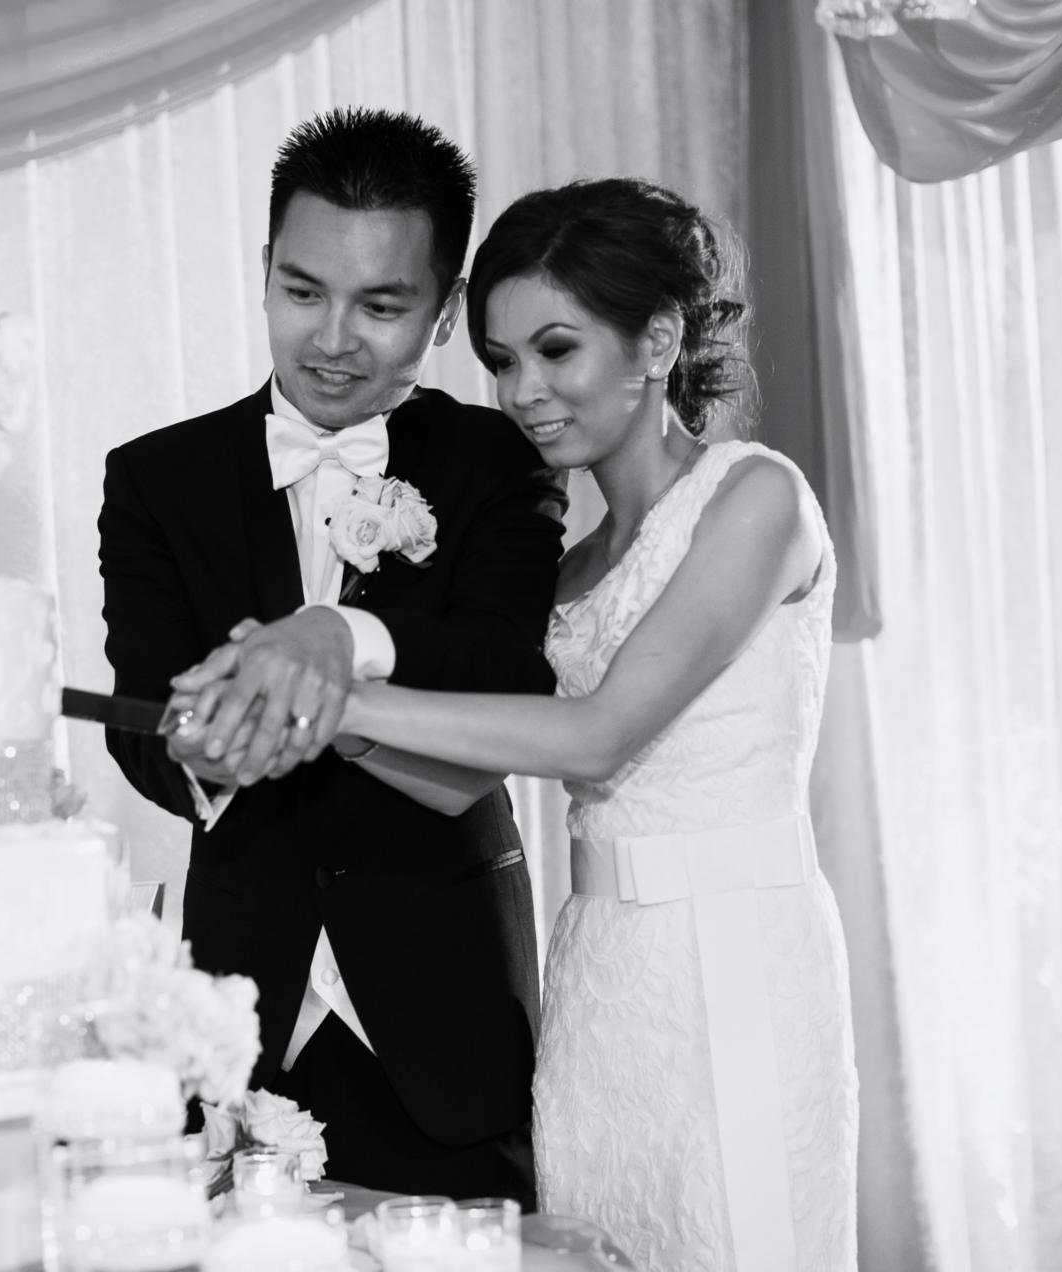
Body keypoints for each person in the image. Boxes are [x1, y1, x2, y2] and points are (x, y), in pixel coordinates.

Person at [180, 176, 858, 1269]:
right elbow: (457, 780)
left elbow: (597, 737)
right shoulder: (572, 568)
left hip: (734, 954)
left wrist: (340, 679)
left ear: (658, 340)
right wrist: (289, 719)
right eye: (501, 361)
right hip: (602, 967)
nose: (524, 392)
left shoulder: (755, 498)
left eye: (555, 350)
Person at [97, 106, 565, 1209]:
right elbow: (143, 716)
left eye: (382, 306)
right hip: (240, 1012)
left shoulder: (499, 459)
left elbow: (507, 672)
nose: (333, 340)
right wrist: (206, 750)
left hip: (443, 1008)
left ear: (444, 311)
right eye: (302, 292)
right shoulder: (157, 478)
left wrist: (347, 647)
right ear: (265, 269)